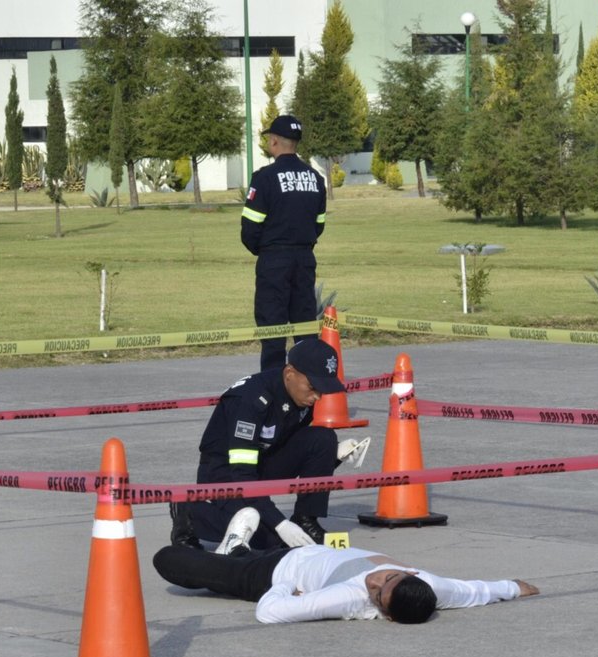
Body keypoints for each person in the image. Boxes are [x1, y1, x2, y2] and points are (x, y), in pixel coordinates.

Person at [154, 509, 540, 623]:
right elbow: (477, 591)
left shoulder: (347, 599)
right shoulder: (434, 587)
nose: (374, 581)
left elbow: (270, 614)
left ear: (383, 613)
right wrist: (514, 587)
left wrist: (288, 587)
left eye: (377, 595)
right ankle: (235, 548)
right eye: (388, 578)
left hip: (270, 576)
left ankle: (229, 555)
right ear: (410, 575)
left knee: (169, 561)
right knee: (246, 544)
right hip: (308, 550)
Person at [170, 335, 368, 554]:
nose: (317, 396)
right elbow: (242, 476)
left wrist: (334, 455)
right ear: (290, 373)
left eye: (322, 389)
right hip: (224, 473)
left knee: (323, 439)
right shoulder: (251, 401)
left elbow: (295, 448)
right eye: (313, 387)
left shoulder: (300, 396)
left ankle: (305, 521)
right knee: (267, 538)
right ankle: (189, 511)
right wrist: (279, 524)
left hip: (261, 460)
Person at [242, 114, 327, 371]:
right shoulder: (316, 179)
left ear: (275, 141)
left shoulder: (265, 178)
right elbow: (319, 224)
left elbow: (250, 228)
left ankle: (274, 392)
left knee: (273, 333)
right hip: (304, 260)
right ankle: (309, 392)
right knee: (305, 331)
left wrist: (265, 251)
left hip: (274, 262)